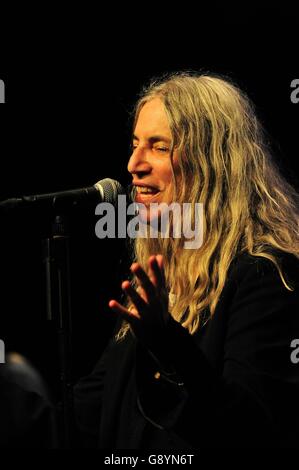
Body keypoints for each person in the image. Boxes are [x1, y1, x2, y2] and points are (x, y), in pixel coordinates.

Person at [74, 72, 299, 448]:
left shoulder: (266, 275)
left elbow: (250, 429)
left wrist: (169, 345)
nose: (134, 164)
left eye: (159, 147)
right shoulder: (162, 281)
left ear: (213, 164)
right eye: (135, 144)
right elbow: (82, 420)